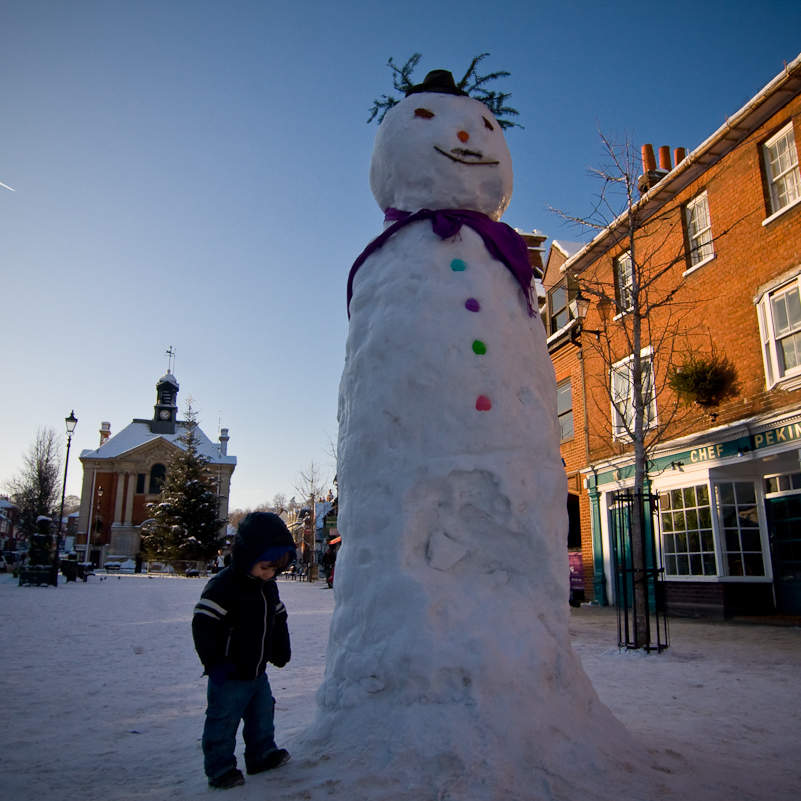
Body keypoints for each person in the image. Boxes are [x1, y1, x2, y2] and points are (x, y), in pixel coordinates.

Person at [192, 512, 297, 789]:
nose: (269, 574)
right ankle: (221, 767)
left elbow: (278, 617)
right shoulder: (225, 586)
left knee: (263, 714)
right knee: (223, 722)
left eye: (275, 569)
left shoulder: (267, 588)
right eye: (264, 567)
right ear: (246, 555)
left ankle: (261, 754)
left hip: (257, 672)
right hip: (229, 673)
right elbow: (204, 622)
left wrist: (280, 649)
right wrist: (214, 663)